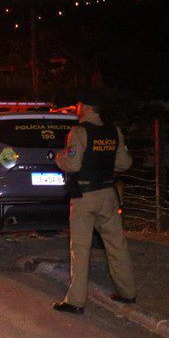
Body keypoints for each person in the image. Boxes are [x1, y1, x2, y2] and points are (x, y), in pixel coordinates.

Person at [52, 91, 135, 315]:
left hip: (84, 196)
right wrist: (106, 170)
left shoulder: (79, 132)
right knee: (117, 244)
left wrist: (58, 158)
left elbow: (73, 164)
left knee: (80, 249)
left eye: (79, 103)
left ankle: (76, 301)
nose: (77, 107)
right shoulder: (113, 131)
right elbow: (125, 163)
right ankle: (128, 292)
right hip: (108, 194)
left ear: (87, 107)